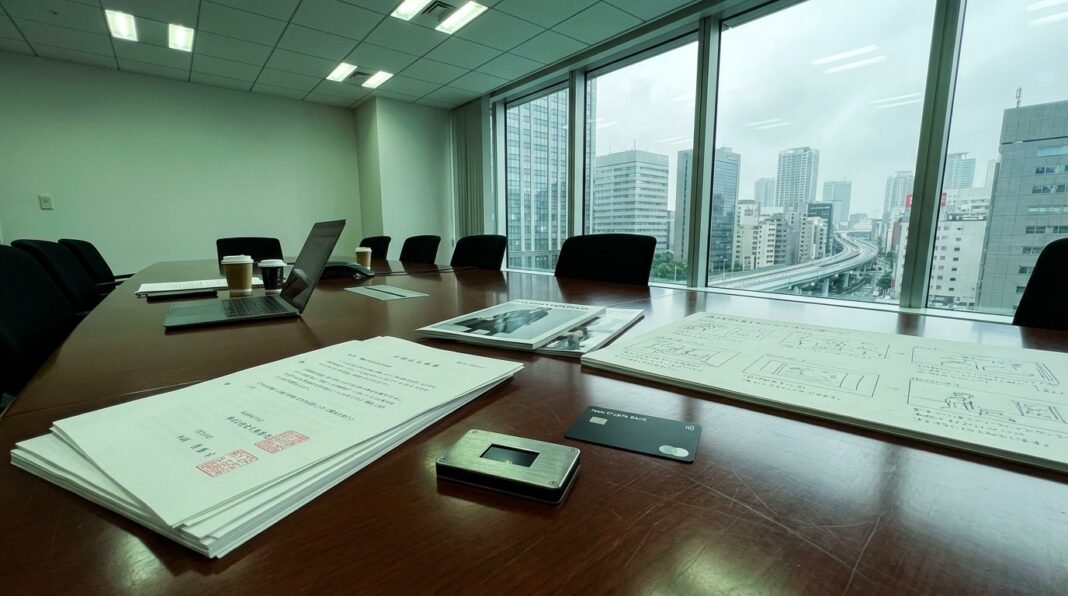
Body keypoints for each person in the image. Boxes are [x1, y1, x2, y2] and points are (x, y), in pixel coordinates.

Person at [454, 307, 550, 336]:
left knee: (496, 329)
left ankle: (485, 336)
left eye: (545, 308)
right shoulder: (524, 310)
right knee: (483, 325)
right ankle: (466, 334)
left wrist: (529, 321)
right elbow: (510, 311)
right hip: (505, 319)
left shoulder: (542, 313)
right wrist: (496, 316)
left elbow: (536, 318)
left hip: (516, 322)